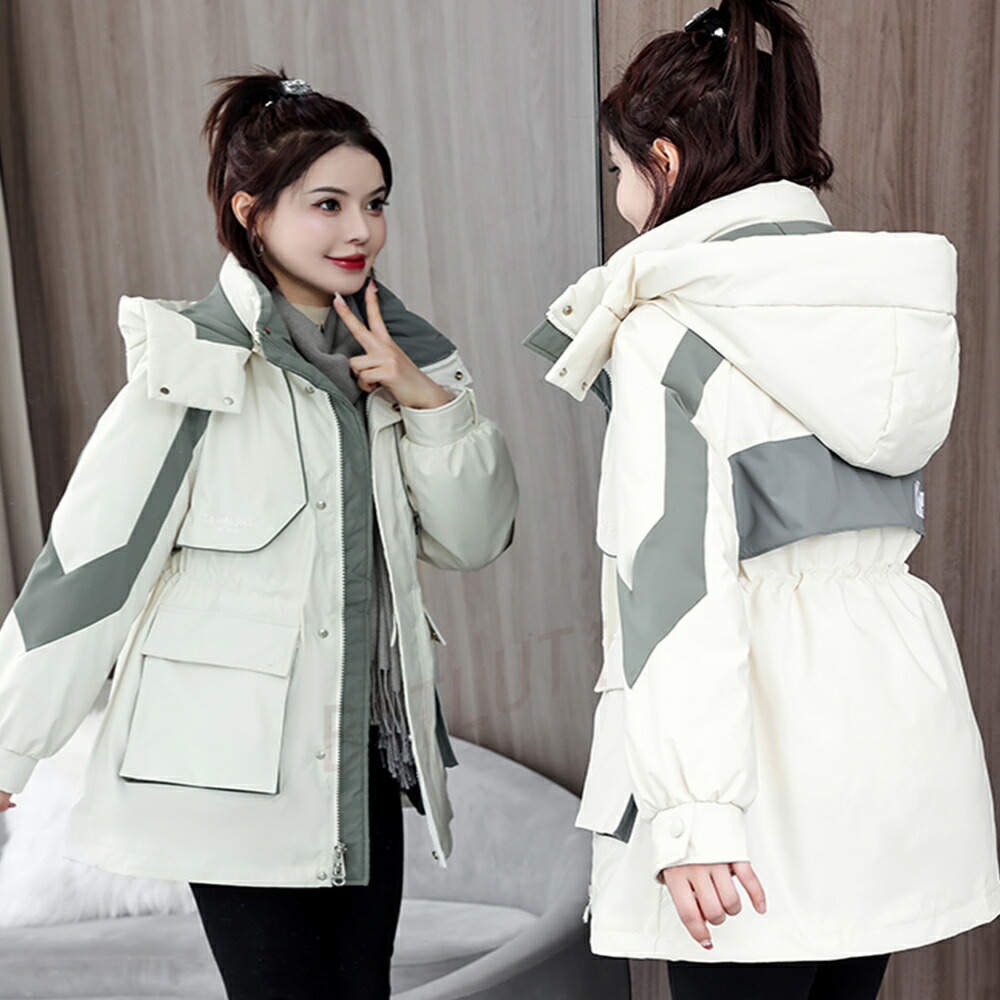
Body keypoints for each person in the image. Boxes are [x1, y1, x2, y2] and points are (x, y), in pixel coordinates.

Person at [0, 69, 518, 999]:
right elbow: (87, 573)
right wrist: (9, 745)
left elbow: (474, 539)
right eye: (327, 204)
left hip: (361, 756)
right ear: (252, 213)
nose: (360, 230)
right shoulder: (190, 370)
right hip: (234, 774)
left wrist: (428, 403)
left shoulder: (409, 361)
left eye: (374, 203)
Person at [523, 2, 1000, 998]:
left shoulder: (670, 327)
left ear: (661, 162)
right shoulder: (884, 313)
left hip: (750, 763)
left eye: (617, 171)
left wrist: (693, 814)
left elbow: (674, 587)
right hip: (893, 739)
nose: (619, 197)